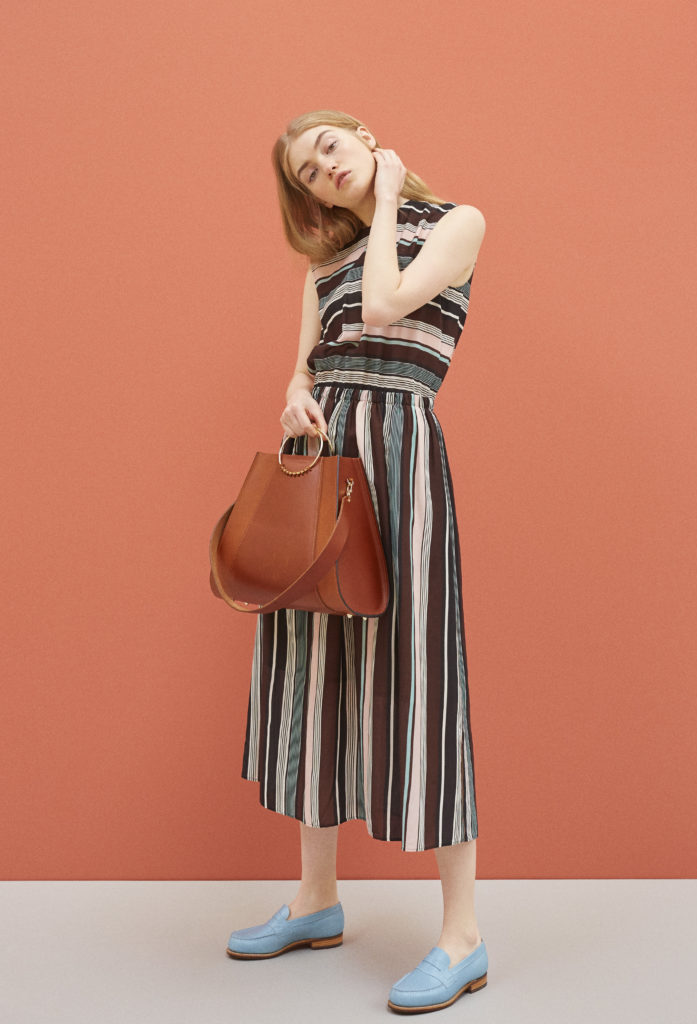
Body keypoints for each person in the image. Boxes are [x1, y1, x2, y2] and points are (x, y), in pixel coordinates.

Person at [226, 110, 487, 1015]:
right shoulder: (320, 265)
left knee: (419, 672)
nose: (321, 173)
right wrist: (295, 395)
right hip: (326, 462)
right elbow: (304, 368)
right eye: (305, 173)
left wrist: (386, 205)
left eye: (328, 149)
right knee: (312, 670)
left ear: (366, 137)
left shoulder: (456, 222)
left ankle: (462, 936)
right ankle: (316, 900)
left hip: (400, 458)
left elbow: (382, 308)